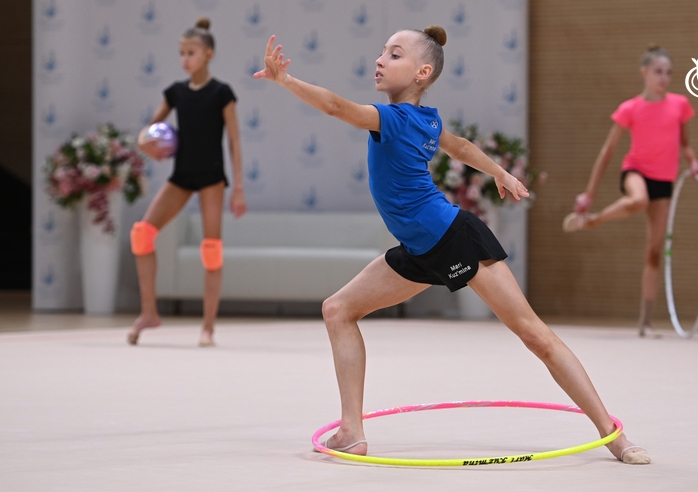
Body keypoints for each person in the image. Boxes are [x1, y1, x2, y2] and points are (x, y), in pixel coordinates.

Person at [254, 26, 650, 464]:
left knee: (534, 335)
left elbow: (334, 107)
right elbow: (458, 146)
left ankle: (613, 434)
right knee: (338, 310)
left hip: (454, 237)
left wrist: (286, 81)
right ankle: (351, 430)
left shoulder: (397, 119)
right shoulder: (426, 120)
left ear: (422, 72)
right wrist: (498, 172)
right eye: (382, 51)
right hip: (420, 249)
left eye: (394, 53)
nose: (381, 60)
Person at [562, 45, 698, 338]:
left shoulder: (680, 105)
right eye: (658, 72)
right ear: (645, 72)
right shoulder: (630, 108)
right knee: (639, 199)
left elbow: (685, 143)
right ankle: (594, 219)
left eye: (668, 73)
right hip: (636, 172)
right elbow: (607, 151)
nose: (664, 78)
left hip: (664, 180)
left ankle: (646, 322)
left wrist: (693, 161)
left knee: (654, 252)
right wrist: (588, 194)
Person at [128, 17, 246, 347]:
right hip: (181, 176)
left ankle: (207, 327)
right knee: (141, 235)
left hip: (210, 178)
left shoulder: (222, 93)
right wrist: (147, 144)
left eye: (191, 52)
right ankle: (149, 312)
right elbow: (148, 132)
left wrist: (237, 186)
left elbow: (234, 141)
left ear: (208, 54)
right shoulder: (176, 93)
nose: (185, 59)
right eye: (181, 53)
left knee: (211, 250)